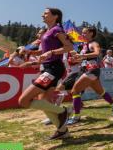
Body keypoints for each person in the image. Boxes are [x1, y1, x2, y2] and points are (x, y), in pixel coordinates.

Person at [18, 8, 73, 140]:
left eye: (46, 13)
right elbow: (43, 52)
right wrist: (28, 52)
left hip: (53, 69)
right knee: (44, 102)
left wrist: (52, 52)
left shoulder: (57, 29)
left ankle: (63, 111)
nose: (42, 15)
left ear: (55, 16)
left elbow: (69, 47)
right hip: (47, 68)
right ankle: (63, 131)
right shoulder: (47, 32)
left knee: (23, 101)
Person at [67, 26, 113, 125]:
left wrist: (82, 56)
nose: (82, 34)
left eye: (85, 33)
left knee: (75, 90)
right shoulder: (84, 45)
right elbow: (84, 58)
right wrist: (76, 59)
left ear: (91, 33)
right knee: (100, 91)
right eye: (82, 33)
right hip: (86, 70)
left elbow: (96, 53)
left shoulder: (94, 43)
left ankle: (76, 117)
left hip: (92, 70)